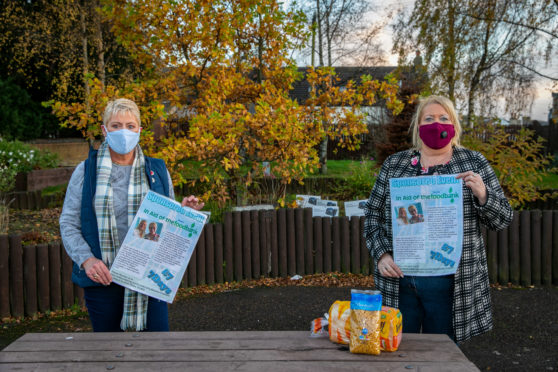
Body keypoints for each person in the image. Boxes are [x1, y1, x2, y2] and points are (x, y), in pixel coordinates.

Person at [364, 95, 512, 343]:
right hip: (399, 281)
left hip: (451, 285)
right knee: (397, 350)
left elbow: (503, 219)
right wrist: (381, 254)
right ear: (418, 126)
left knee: (444, 355)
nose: (436, 124)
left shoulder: (473, 163)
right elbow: (372, 215)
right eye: (429, 118)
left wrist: (483, 194)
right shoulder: (395, 164)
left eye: (444, 118)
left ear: (454, 125)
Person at [60, 98, 204, 332]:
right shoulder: (86, 171)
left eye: (130, 125)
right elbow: (68, 223)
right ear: (105, 130)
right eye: (116, 126)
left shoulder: (156, 169)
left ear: (139, 130)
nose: (123, 132)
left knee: (155, 352)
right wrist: (87, 260)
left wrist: (183, 212)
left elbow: (167, 222)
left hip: (148, 279)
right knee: (109, 354)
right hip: (102, 277)